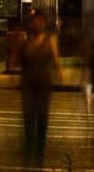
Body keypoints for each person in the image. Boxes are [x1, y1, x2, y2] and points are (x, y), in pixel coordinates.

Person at [19, 13, 62, 165]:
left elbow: (56, 60)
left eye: (40, 21)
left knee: (42, 117)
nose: (38, 24)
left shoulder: (50, 40)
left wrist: (60, 76)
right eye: (35, 21)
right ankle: (28, 147)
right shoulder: (25, 40)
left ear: (44, 23)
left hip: (44, 85)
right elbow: (18, 59)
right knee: (29, 117)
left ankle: (40, 149)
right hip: (28, 85)